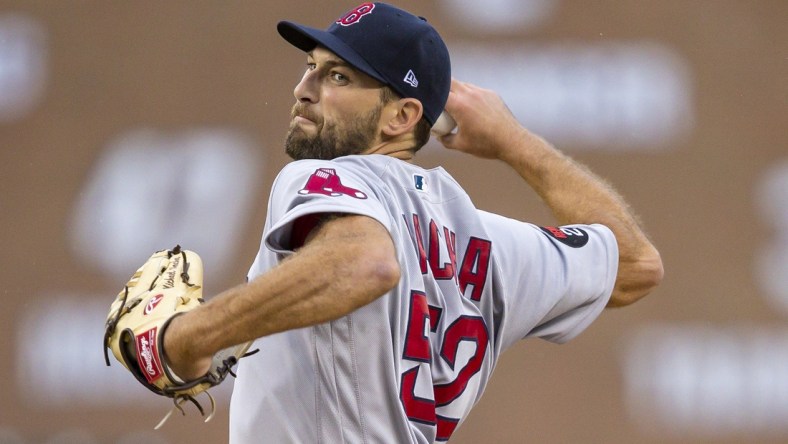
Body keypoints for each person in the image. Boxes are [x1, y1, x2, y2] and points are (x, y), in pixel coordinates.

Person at [162, 2, 664, 442]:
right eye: (310, 67)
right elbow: (635, 265)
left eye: (337, 77)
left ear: (401, 117)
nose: (303, 89)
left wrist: (187, 338)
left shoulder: (322, 177)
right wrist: (514, 141)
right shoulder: (486, 240)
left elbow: (366, 263)